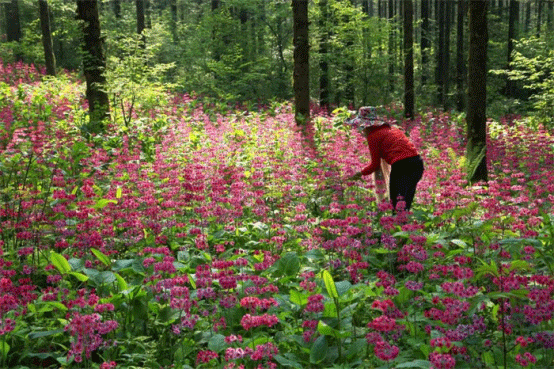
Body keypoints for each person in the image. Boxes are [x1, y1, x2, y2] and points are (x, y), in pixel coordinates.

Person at [346, 106, 424, 211]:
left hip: (402, 166)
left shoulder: (373, 136)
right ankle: (405, 226)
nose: (361, 130)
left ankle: (396, 225)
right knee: (405, 205)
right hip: (417, 164)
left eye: (361, 126)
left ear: (366, 125)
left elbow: (375, 165)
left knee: (397, 207)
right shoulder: (392, 129)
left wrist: (358, 175)